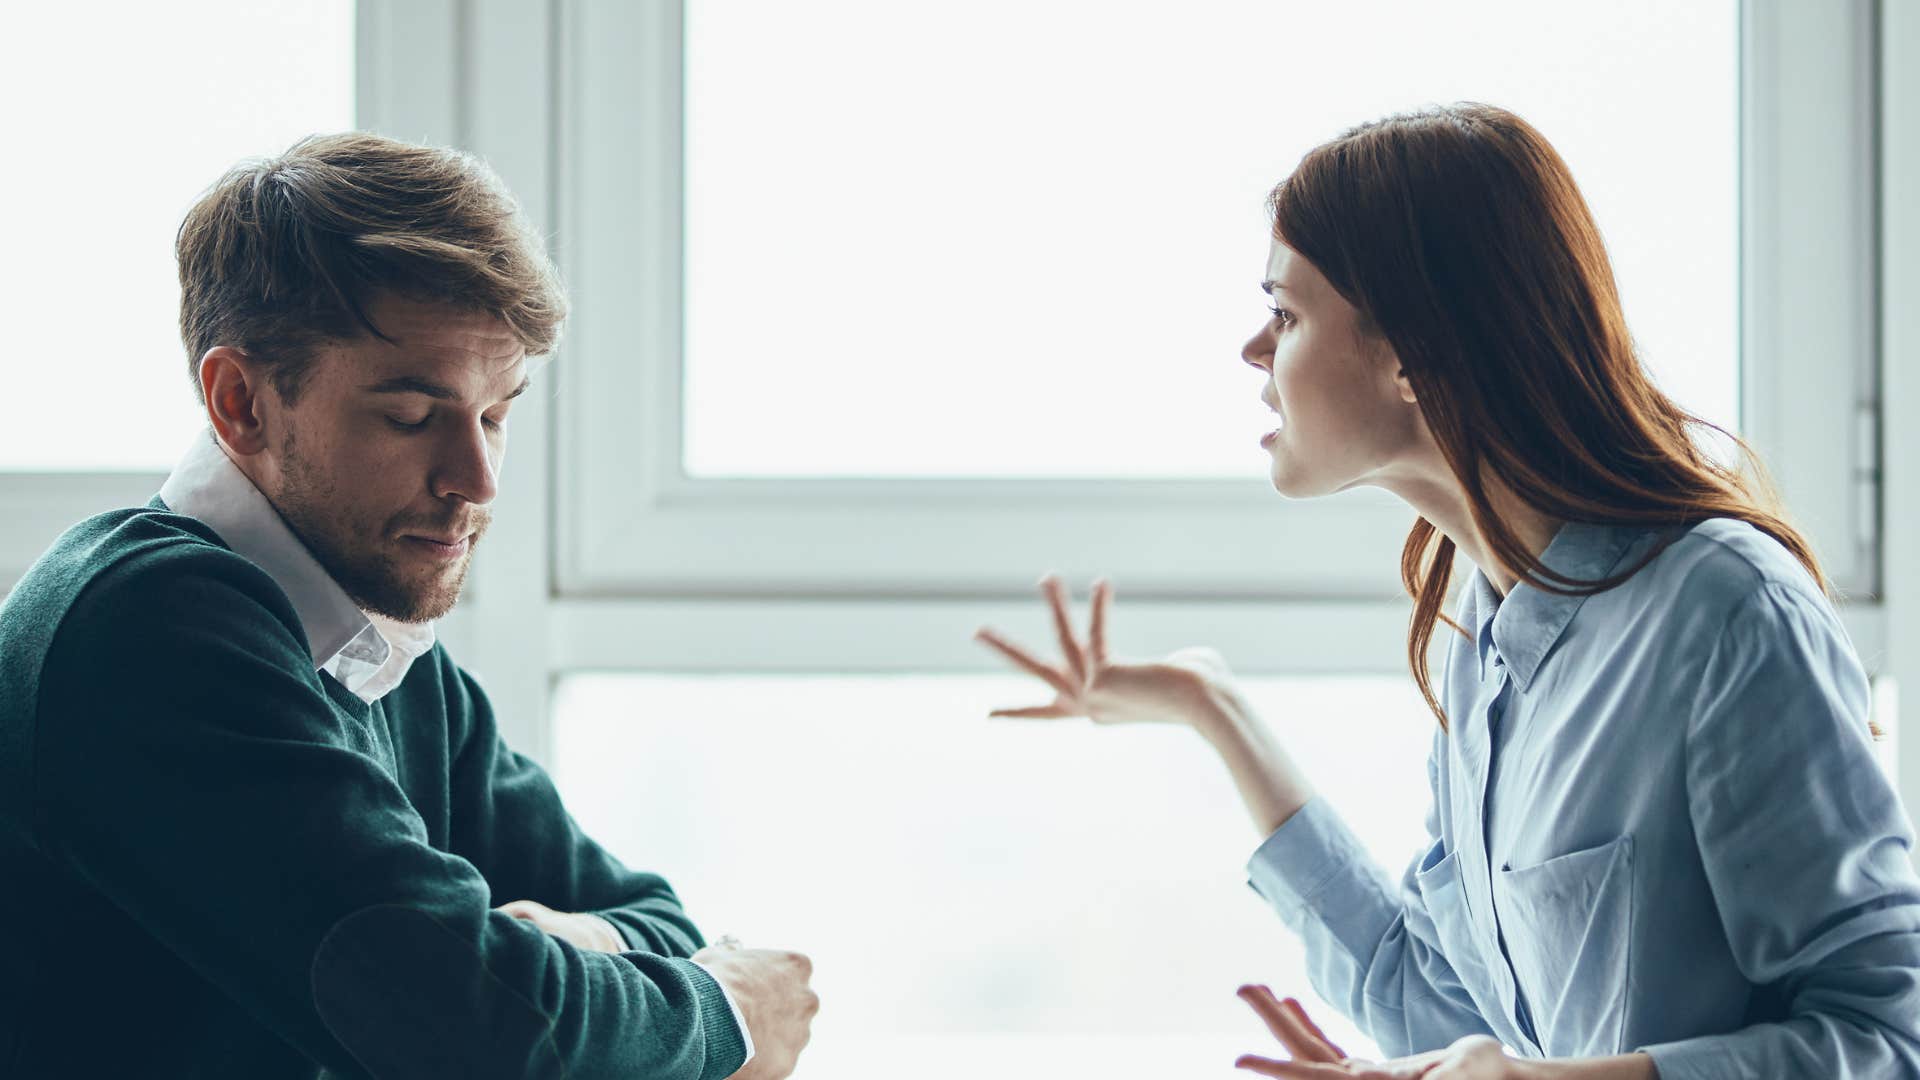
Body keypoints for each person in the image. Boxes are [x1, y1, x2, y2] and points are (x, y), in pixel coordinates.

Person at [976, 104, 1920, 1079]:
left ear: (1411, 354)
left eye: (1287, 313)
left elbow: (1890, 1042)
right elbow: (1432, 1006)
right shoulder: (1481, 637)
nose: (1254, 352)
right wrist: (1215, 713)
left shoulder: (1725, 608)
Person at [0, 133, 816, 1079]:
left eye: (497, 415)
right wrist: (730, 1012)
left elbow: (654, 917)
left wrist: (550, 954)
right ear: (241, 403)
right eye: (412, 416)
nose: (476, 479)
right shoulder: (151, 628)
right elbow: (475, 1028)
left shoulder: (375, 655)